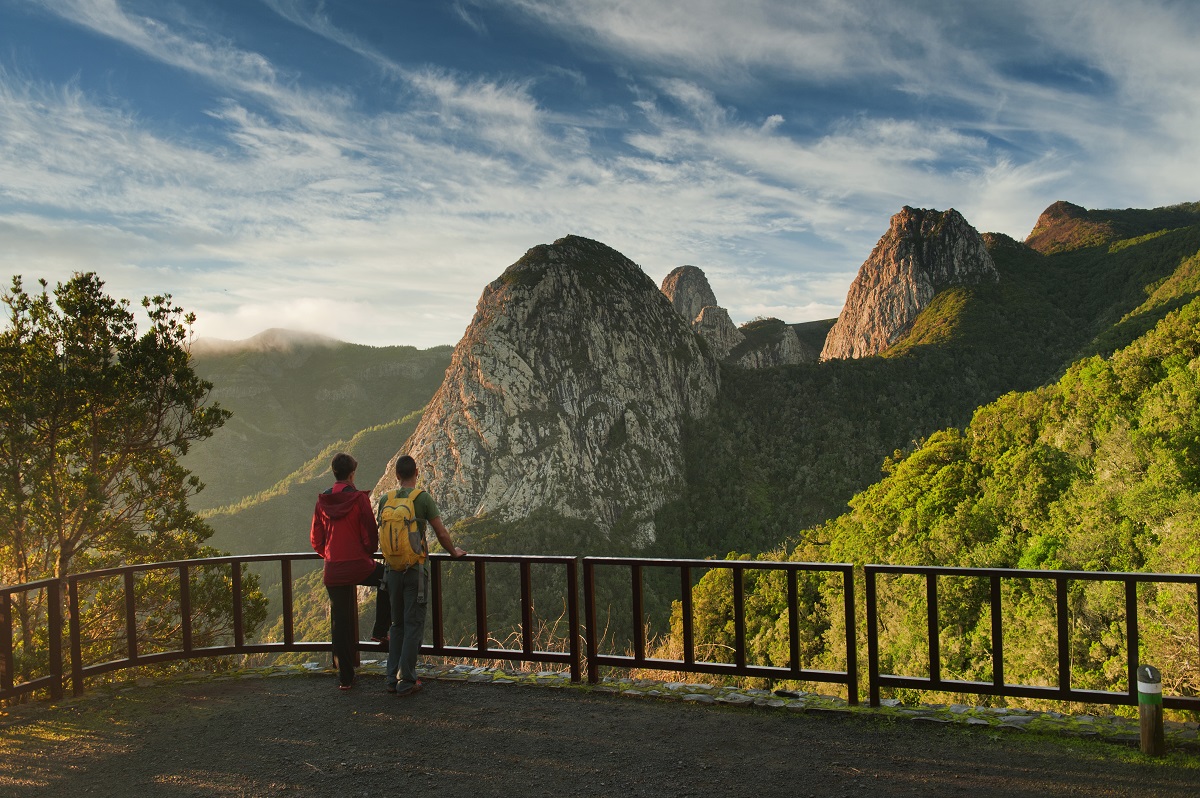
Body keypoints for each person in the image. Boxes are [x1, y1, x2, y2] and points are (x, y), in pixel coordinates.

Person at [378, 454, 465, 696]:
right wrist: (453, 552)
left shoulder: (386, 499)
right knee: (413, 624)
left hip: (391, 571)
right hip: (416, 571)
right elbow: (441, 533)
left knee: (397, 625)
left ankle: (391, 678)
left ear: (397, 475)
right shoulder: (422, 498)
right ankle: (406, 680)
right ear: (417, 473)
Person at [310, 452, 391, 690]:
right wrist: (364, 552)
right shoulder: (358, 499)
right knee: (386, 577)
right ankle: (380, 630)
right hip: (358, 565)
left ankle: (345, 679)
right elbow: (370, 536)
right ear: (352, 474)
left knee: (340, 623)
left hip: (333, 570)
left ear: (334, 473)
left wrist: (331, 555)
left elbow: (316, 540)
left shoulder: (322, 501)